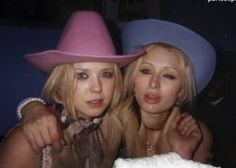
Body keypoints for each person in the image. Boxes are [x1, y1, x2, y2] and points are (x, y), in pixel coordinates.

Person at [14, 19, 215, 163]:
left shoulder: (197, 135)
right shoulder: (110, 119)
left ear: (181, 91)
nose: (154, 84)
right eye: (145, 71)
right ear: (133, 78)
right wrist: (32, 107)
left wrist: (182, 157)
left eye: (169, 76)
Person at [0, 11, 143, 168]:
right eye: (81, 75)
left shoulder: (107, 125)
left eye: (106, 74)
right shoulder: (29, 142)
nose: (97, 88)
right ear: (60, 85)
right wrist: (30, 106)